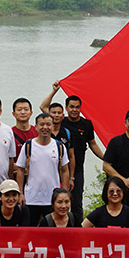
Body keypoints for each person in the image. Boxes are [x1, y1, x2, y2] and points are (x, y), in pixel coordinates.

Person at [41, 82, 104, 225]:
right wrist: (54, 91)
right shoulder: (60, 121)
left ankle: (77, 230)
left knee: (76, 203)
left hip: (77, 170)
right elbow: (44, 107)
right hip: (56, 170)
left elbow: (92, 144)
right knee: (54, 201)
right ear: (66, 109)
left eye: (77, 107)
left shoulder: (86, 124)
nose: (74, 110)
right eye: (71, 107)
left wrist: (105, 159)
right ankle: (54, 227)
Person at [16, 113, 70, 225]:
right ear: (36, 127)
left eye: (48, 124)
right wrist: (20, 193)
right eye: (41, 124)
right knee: (29, 229)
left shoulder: (59, 146)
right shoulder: (28, 145)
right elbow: (20, 170)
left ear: (53, 126)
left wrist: (65, 194)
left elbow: (65, 170)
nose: (45, 127)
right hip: (31, 198)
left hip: (53, 199)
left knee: (51, 230)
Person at [48, 102, 77, 193]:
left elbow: (71, 156)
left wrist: (71, 178)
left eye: (59, 113)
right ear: (49, 114)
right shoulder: (44, 133)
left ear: (63, 115)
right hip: (48, 173)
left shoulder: (67, 133)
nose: (56, 115)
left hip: (63, 174)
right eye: (54, 112)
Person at [11, 97, 38, 162]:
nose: (23, 112)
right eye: (19, 110)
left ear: (31, 113)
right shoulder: (9, 133)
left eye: (26, 109)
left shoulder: (38, 132)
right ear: (13, 114)